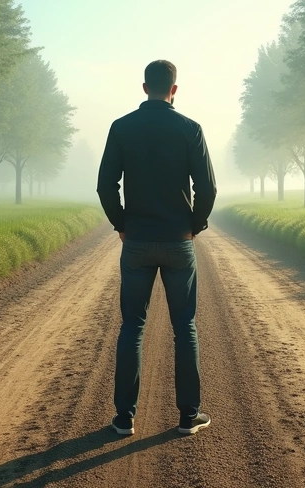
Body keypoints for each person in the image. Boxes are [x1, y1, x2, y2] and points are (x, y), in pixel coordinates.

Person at [97, 59, 218, 436]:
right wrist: (194, 226)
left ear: (144, 87)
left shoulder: (121, 127)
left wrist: (121, 225)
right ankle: (188, 416)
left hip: (136, 242)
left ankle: (123, 418)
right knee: (185, 327)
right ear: (174, 89)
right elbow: (208, 188)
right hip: (178, 241)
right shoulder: (190, 129)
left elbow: (105, 186)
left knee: (132, 326)